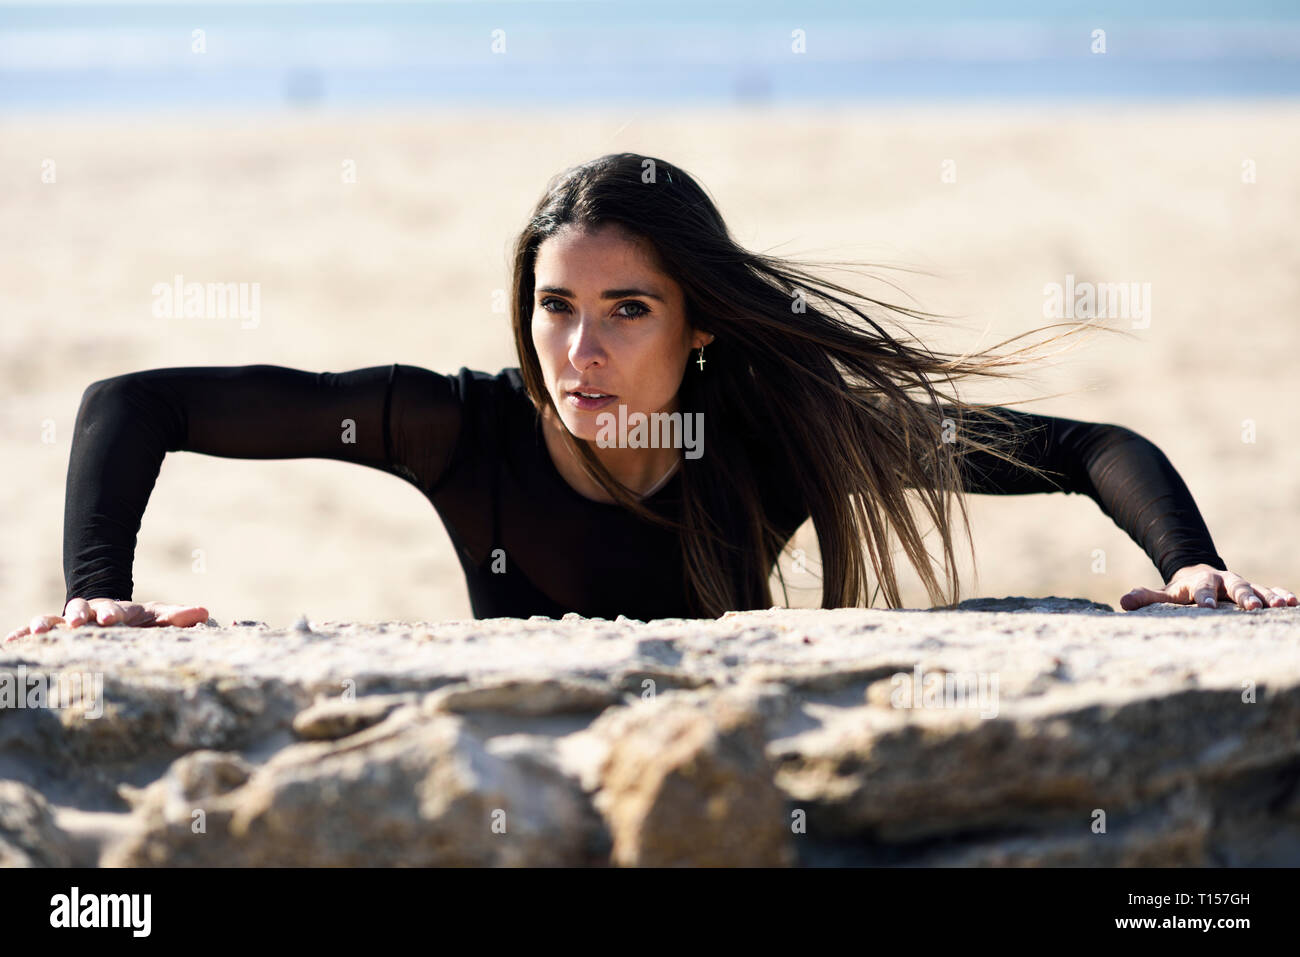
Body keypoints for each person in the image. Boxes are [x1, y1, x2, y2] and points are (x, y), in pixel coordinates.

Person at [6, 153, 1295, 639]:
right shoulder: (457, 427)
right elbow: (136, 402)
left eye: (628, 311)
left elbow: (1086, 444)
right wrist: (96, 588)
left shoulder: (778, 441)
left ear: (699, 332)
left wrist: (1191, 567)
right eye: (556, 308)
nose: (581, 350)